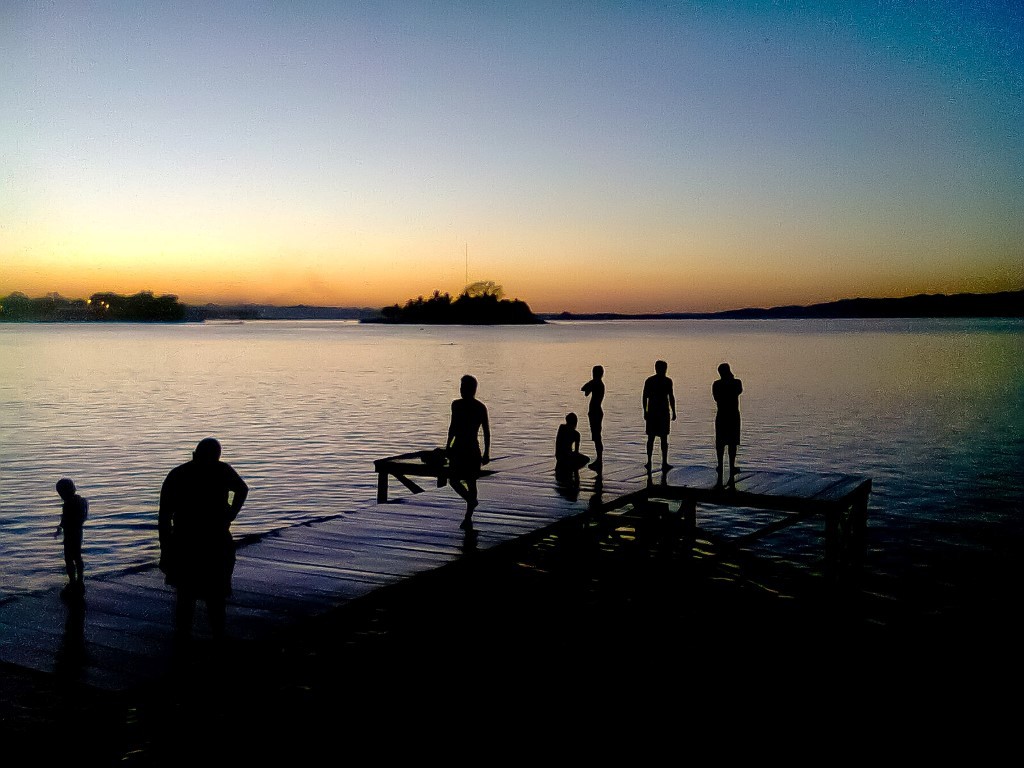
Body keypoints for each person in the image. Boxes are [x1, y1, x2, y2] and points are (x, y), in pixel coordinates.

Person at [159, 437, 248, 639]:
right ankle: (216, 637)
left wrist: (165, 550)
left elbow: (164, 517)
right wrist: (231, 513)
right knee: (214, 597)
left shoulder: (178, 474)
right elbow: (242, 489)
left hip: (187, 541)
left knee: (187, 596)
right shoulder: (221, 470)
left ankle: (187, 639)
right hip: (213, 539)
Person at [446, 375, 490, 530]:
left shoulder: (479, 407)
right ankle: (471, 501)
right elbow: (453, 427)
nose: (461, 390)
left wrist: (486, 453)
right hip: (459, 448)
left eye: (464, 387)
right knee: (453, 480)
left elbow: (486, 431)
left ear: (472, 390)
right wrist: (448, 447)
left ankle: (468, 516)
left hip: (471, 448)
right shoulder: (456, 405)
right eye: (461, 387)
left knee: (471, 482)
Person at [54, 478, 88, 598]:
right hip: (78, 532)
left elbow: (65, 519)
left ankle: (72, 581)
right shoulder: (82, 500)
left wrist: (59, 528)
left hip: (70, 533)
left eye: (60, 493)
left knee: (69, 558)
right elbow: (85, 515)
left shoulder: (68, 504)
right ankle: (80, 579)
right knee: (77, 556)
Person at [642, 360, 676, 471]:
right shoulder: (661, 381)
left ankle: (659, 462)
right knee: (655, 438)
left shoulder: (660, 381)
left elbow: (671, 397)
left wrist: (674, 410)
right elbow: (645, 397)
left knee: (659, 439)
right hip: (657, 412)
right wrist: (645, 411)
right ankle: (653, 461)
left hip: (659, 412)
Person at [713, 362, 743, 483]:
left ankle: (720, 465)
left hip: (721, 415)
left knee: (720, 442)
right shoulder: (736, 382)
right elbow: (738, 391)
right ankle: (731, 466)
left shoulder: (716, 384)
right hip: (733, 415)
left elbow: (716, 397)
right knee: (732, 442)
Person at [581, 365, 605, 471]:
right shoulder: (599, 384)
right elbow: (586, 391)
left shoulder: (596, 383)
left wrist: (591, 383)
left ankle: (599, 460)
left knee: (597, 437)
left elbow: (583, 388)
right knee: (596, 437)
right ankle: (599, 459)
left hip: (595, 412)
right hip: (596, 411)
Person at [555, 413, 590, 477]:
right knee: (587, 459)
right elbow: (576, 451)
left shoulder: (562, 428)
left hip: (560, 455)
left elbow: (558, 444)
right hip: (565, 456)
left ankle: (569, 466)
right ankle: (573, 468)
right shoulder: (576, 434)